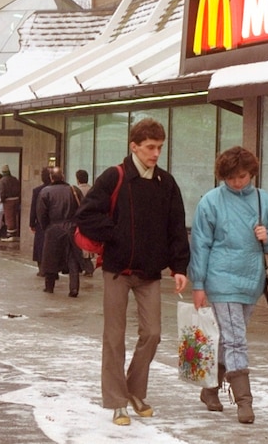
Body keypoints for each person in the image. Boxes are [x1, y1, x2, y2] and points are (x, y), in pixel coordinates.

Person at [74, 117, 189, 426]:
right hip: (116, 270)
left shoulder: (166, 183)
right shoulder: (115, 176)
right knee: (114, 336)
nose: (155, 154)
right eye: (150, 147)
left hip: (150, 272)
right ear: (134, 146)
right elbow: (85, 215)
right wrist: (117, 234)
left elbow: (176, 226)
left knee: (152, 334)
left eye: (160, 147)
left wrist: (179, 267)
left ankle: (134, 391)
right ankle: (116, 401)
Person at [190, 146, 268, 423]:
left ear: (252, 173)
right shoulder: (210, 202)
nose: (238, 182)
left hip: (251, 279)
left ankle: (210, 389)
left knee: (229, 336)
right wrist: (198, 284)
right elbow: (200, 245)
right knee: (236, 339)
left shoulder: (264, 201)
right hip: (220, 278)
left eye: (243, 176)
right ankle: (244, 402)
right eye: (231, 177)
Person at [37, 167, 84, 296]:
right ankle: (74, 288)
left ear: (51, 178)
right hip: (71, 227)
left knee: (50, 258)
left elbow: (41, 213)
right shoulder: (74, 190)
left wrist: (46, 227)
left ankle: (49, 287)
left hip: (53, 227)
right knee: (72, 258)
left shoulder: (45, 192)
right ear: (63, 177)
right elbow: (83, 208)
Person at [30, 167, 52, 275]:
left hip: (40, 222)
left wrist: (32, 223)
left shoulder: (37, 190)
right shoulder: (62, 189)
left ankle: (41, 268)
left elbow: (33, 207)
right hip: (54, 221)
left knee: (40, 244)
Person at [0, 164, 22, 242]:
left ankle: (10, 235)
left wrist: (1, 200)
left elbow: (2, 192)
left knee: (9, 218)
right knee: (15, 216)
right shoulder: (14, 179)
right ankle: (16, 233)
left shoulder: (2, 181)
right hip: (17, 199)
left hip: (8, 201)